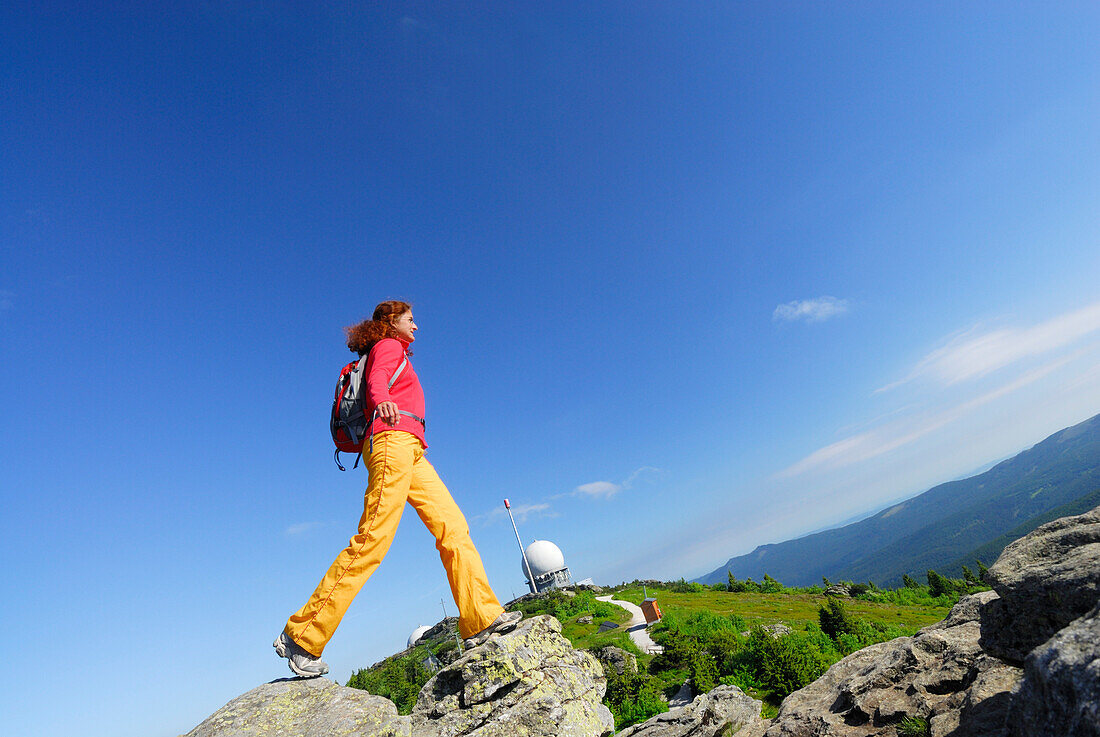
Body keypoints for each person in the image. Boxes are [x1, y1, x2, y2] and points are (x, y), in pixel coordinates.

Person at [274, 300, 521, 677]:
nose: (416, 326)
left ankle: (481, 618)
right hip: (391, 441)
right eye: (410, 319)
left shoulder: (395, 350)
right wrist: (383, 400)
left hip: (411, 450)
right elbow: (376, 382)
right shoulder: (387, 346)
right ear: (392, 322)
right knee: (372, 540)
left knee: (452, 527)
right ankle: (303, 636)